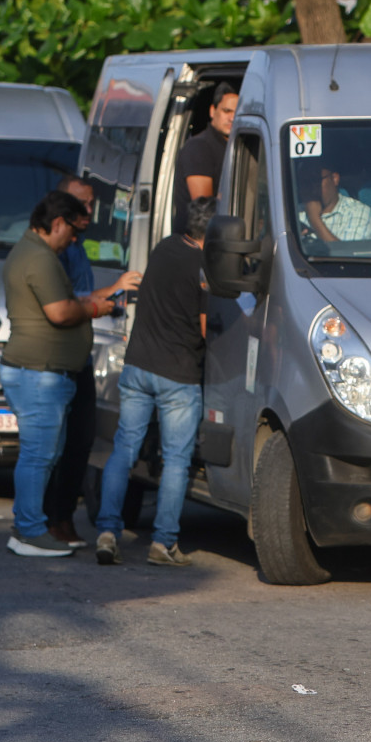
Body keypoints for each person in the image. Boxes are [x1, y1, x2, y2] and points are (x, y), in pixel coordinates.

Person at [0, 190, 139, 557]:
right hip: (39, 374)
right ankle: (30, 531)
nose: (75, 241)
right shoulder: (40, 258)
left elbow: (70, 301)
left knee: (42, 453)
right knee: (38, 455)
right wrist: (97, 309)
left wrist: (104, 296)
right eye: (72, 232)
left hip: (40, 373)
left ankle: (29, 526)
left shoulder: (36, 253)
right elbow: (60, 312)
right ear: (57, 223)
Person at [94, 197, 213, 568]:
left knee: (124, 450)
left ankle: (108, 532)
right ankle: (163, 544)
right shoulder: (204, 268)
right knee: (176, 460)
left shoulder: (163, 248)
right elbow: (206, 328)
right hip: (178, 375)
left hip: (139, 367)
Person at [41, 176, 100, 550]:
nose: (89, 212)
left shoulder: (78, 247)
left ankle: (64, 517)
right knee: (54, 445)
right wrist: (97, 303)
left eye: (91, 204)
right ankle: (50, 519)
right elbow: (62, 306)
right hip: (56, 358)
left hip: (81, 354)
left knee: (81, 439)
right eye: (81, 205)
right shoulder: (52, 251)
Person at [173, 82, 237, 229]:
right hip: (197, 243)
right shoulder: (199, 147)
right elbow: (205, 209)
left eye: (237, 112)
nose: (232, 118)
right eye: (227, 111)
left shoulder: (237, 147)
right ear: (212, 111)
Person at [299, 160, 371, 242]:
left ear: (335, 178)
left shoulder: (358, 211)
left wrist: (314, 219)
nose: (312, 188)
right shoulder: (295, 214)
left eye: (316, 180)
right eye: (306, 182)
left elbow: (347, 253)